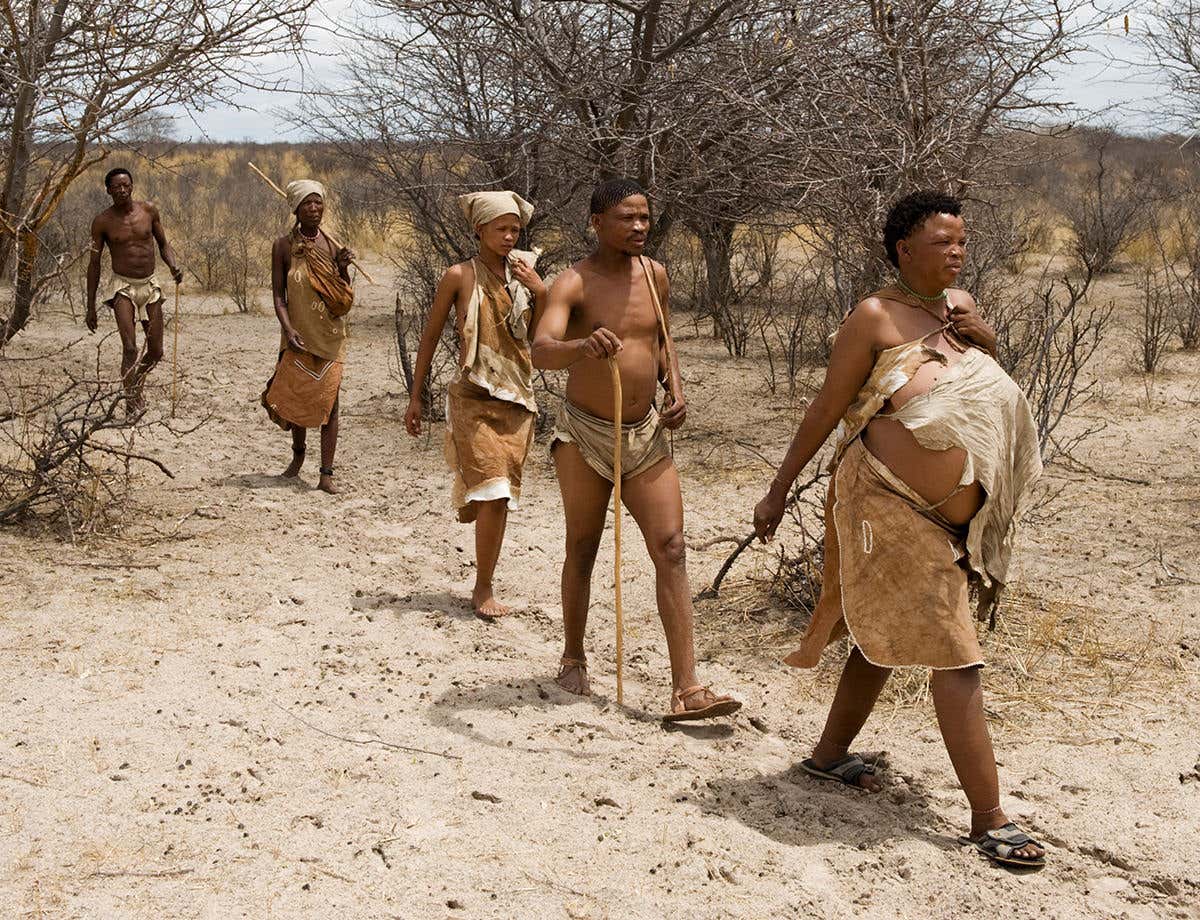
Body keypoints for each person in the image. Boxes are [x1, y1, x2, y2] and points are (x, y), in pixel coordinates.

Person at [752, 191, 1046, 867]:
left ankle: (827, 756)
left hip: (950, 521)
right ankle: (989, 818)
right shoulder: (875, 316)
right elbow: (829, 406)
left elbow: (982, 375)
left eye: (962, 241)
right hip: (884, 498)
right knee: (955, 652)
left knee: (882, 635)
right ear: (903, 248)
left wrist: (983, 334)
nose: (958, 252)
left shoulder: (957, 307)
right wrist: (777, 491)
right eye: (943, 241)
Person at [532, 177, 741, 722]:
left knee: (671, 547)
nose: (639, 227)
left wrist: (676, 388)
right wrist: (583, 346)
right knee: (583, 544)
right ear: (596, 222)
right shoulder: (571, 283)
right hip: (584, 433)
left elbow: (661, 340)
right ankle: (573, 656)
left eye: (644, 217)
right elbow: (542, 350)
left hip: (645, 432)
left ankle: (687, 688)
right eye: (626, 217)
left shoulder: (654, 274)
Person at [405, 191, 547, 619]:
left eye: (515, 230)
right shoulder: (459, 276)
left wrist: (541, 293)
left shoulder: (525, 276)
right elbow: (429, 337)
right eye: (500, 229)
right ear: (479, 230)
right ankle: (483, 587)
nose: (508, 237)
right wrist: (416, 395)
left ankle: (484, 580)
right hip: (472, 398)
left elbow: (540, 341)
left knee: (502, 497)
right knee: (491, 490)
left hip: (517, 399)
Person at [261, 180, 355, 495]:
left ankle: (326, 475)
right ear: (296, 209)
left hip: (330, 337)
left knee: (331, 404)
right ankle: (297, 459)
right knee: (296, 399)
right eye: (307, 204)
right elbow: (278, 297)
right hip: (297, 335)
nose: (314, 209)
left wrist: (343, 270)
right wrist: (289, 330)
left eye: (318, 203)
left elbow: (343, 301)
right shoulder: (283, 246)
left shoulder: (332, 246)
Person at [85, 167, 184, 415]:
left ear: (132, 186)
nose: (122, 190)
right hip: (123, 287)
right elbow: (94, 264)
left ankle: (136, 382)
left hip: (150, 285)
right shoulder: (102, 222)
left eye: (126, 185)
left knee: (156, 351)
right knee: (130, 348)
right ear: (108, 190)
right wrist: (90, 307)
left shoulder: (149, 211)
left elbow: (163, 244)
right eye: (116, 186)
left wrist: (173, 266)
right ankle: (131, 402)